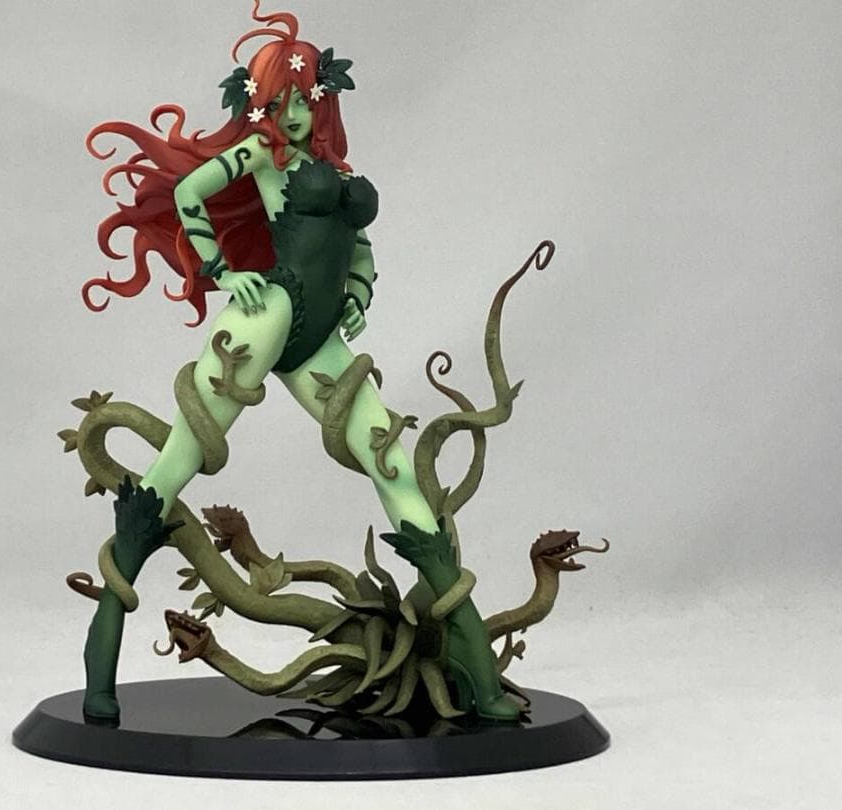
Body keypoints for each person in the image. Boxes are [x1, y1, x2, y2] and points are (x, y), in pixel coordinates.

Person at [79, 1, 521, 724]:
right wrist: (222, 270)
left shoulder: (332, 170)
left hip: (319, 339)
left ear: (320, 100)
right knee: (172, 469)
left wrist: (358, 292)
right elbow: (191, 192)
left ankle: (478, 679)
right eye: (278, 101)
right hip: (266, 317)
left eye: (302, 99)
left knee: (394, 467)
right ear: (262, 104)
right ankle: (101, 675)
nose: (290, 114)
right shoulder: (261, 159)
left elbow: (359, 245)